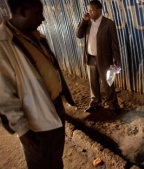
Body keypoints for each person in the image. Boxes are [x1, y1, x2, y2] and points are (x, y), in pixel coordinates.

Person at [0, 0, 77, 168]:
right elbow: (4, 95)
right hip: (36, 122)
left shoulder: (34, 36)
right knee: (41, 164)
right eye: (38, 13)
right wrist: (22, 130)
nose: (43, 18)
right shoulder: (4, 45)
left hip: (54, 109)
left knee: (55, 159)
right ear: (21, 12)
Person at [76, 0, 121, 114]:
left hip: (105, 59)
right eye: (89, 9)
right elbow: (78, 35)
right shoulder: (87, 23)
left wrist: (117, 60)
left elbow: (114, 43)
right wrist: (83, 21)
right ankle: (95, 102)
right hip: (90, 57)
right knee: (93, 83)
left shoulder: (109, 23)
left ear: (99, 10)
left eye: (92, 9)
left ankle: (113, 104)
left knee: (108, 83)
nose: (89, 12)